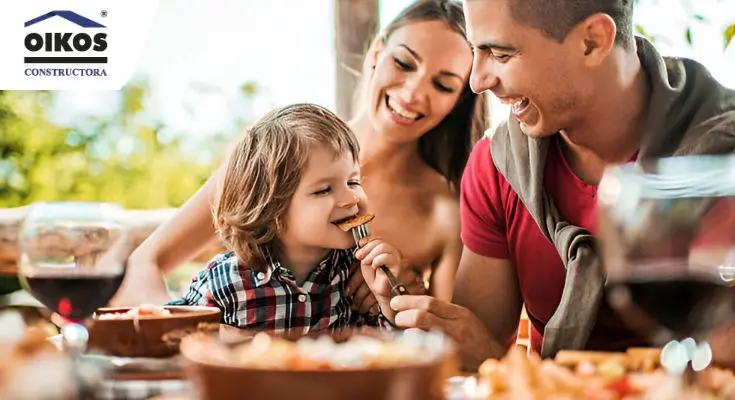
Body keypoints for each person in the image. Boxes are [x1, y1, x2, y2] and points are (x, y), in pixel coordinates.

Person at [388, 0, 735, 370]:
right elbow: (475, 356)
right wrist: (411, 308)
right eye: (476, 50)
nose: (477, 80)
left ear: (593, 41)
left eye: (501, 53)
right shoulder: (498, 166)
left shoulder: (722, 162)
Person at [112, 0, 489, 308]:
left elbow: (450, 347)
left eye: (442, 84)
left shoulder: (444, 211)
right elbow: (146, 261)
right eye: (403, 63)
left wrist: (403, 297)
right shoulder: (278, 155)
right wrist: (173, 334)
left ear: (459, 100)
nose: (412, 93)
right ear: (378, 51)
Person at [169, 103, 402, 331]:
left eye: (353, 181)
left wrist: (386, 302)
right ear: (271, 210)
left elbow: (389, 356)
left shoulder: (357, 275)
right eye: (323, 190)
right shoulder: (225, 281)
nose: (351, 198)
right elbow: (172, 339)